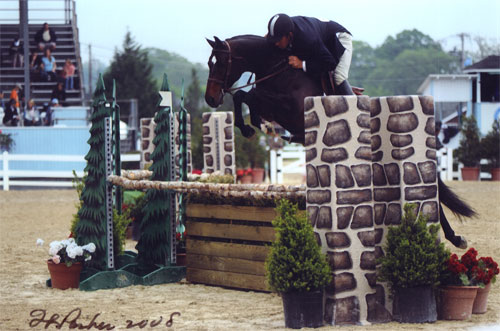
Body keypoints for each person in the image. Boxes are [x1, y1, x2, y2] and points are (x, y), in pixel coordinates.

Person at [266, 14, 354, 95]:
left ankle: (356, 107)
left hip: (339, 37)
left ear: (289, 35)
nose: (276, 43)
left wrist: (302, 64)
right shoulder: (285, 29)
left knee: (338, 77)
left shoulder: (309, 40)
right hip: (321, 40)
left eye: (278, 40)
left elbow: (330, 63)